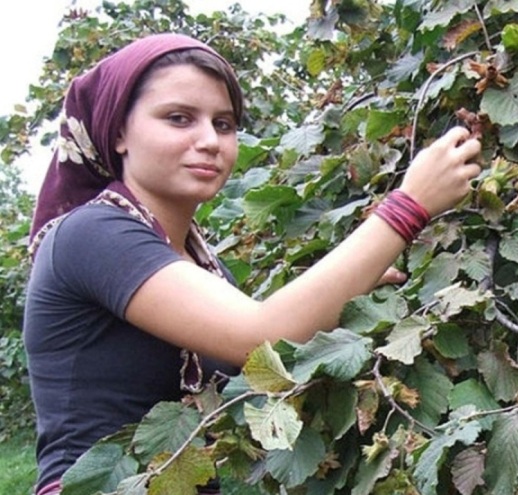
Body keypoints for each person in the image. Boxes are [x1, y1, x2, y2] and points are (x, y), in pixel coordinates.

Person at [23, 33, 482, 495]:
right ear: (119, 132)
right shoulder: (92, 234)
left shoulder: (194, 261)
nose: (208, 140)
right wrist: (409, 205)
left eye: (223, 124)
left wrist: (351, 286)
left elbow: (268, 355)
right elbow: (258, 336)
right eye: (178, 118)